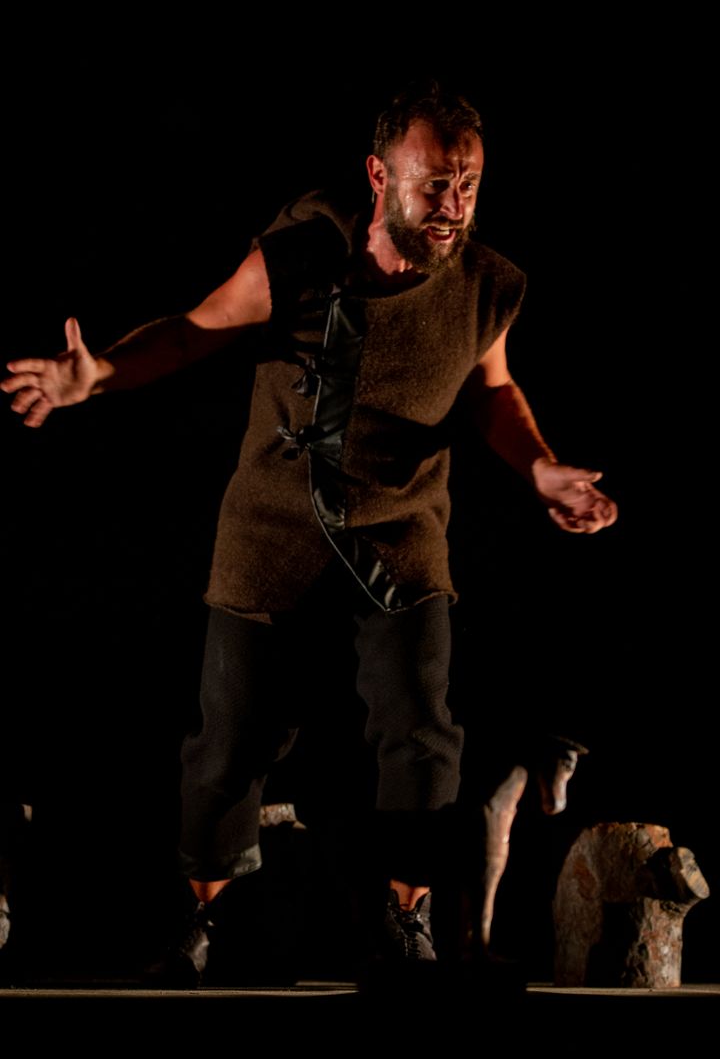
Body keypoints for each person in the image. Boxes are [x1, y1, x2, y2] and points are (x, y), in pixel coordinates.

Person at [1, 83, 617, 981]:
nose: (453, 206)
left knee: (421, 729)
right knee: (232, 738)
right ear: (379, 176)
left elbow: (493, 389)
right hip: (274, 521)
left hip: (402, 526)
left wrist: (541, 468)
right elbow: (191, 333)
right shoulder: (299, 258)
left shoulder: (485, 285)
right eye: (434, 185)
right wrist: (98, 376)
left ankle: (407, 916)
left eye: (468, 185)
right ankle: (205, 917)